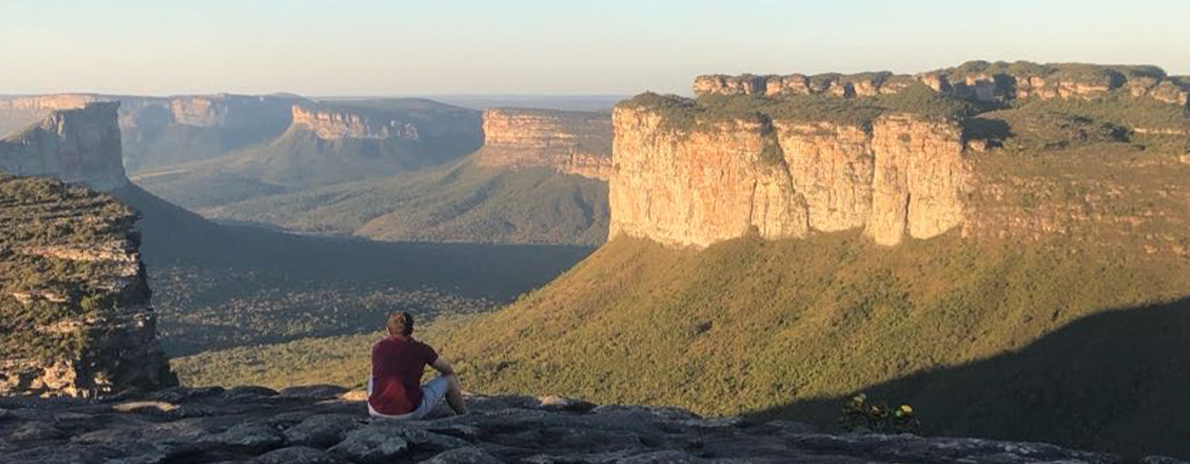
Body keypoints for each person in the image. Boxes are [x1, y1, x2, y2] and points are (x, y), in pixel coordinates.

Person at [367, 312, 467, 419]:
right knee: (450, 380)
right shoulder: (421, 349)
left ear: (387, 330)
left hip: (376, 411)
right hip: (409, 413)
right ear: (412, 330)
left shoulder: (377, 347)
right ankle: (465, 416)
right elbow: (447, 370)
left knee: (373, 376)